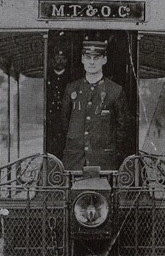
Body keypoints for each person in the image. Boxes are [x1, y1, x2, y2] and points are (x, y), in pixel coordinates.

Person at [61, 40, 129, 170]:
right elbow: (65, 122)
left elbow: (123, 126)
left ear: (104, 60)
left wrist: (108, 147)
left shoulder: (115, 90)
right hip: (74, 160)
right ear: (82, 59)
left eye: (96, 58)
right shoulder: (71, 89)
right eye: (88, 57)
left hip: (104, 160)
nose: (92, 62)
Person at [46, 48, 70, 158]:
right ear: (53, 60)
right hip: (50, 118)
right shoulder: (47, 77)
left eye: (62, 59)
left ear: (66, 60)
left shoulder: (71, 78)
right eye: (57, 59)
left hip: (66, 118)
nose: (59, 61)